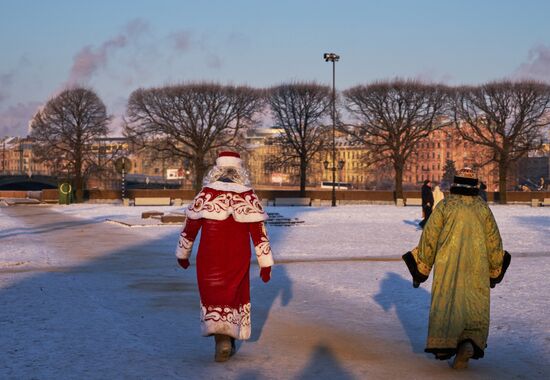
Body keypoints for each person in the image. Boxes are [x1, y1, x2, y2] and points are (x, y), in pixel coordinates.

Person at [402, 167, 511, 369]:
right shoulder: (483, 209)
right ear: (475, 186)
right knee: (474, 307)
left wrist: (421, 268)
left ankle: (449, 344)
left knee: (449, 304)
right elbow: (494, 241)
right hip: (477, 269)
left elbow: (429, 237)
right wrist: (495, 270)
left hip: (448, 267)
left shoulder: (445, 206)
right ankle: (468, 342)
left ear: (455, 184)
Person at [175, 151, 274, 362]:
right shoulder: (247, 196)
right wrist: (265, 263)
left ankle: (221, 339)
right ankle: (229, 338)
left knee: (214, 298)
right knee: (234, 295)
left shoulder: (206, 194)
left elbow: (190, 227)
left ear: (217, 170)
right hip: (237, 257)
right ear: (239, 171)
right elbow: (259, 233)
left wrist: (183, 253)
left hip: (209, 258)